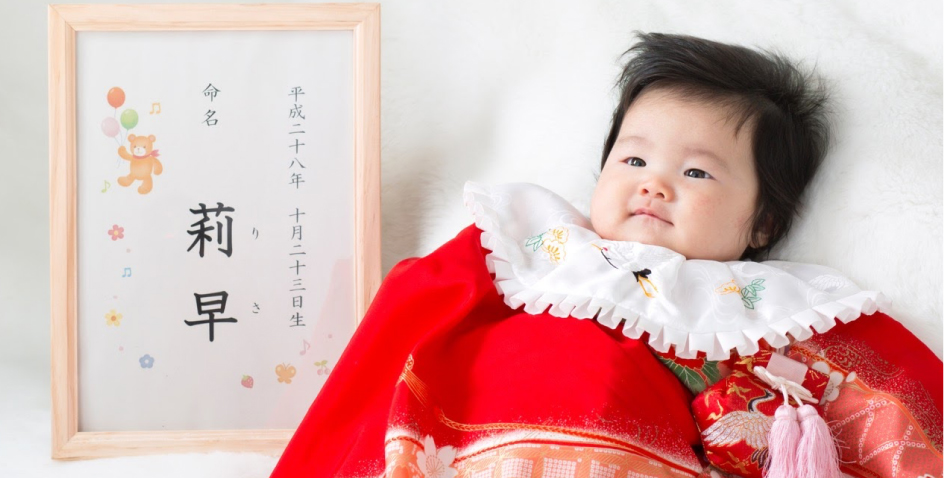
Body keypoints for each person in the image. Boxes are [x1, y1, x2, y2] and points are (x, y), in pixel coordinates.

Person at [270, 33, 942, 478]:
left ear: (762, 222)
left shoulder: (760, 307)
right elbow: (408, 317)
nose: (654, 182)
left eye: (698, 174)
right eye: (635, 157)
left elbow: (888, 397)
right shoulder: (529, 242)